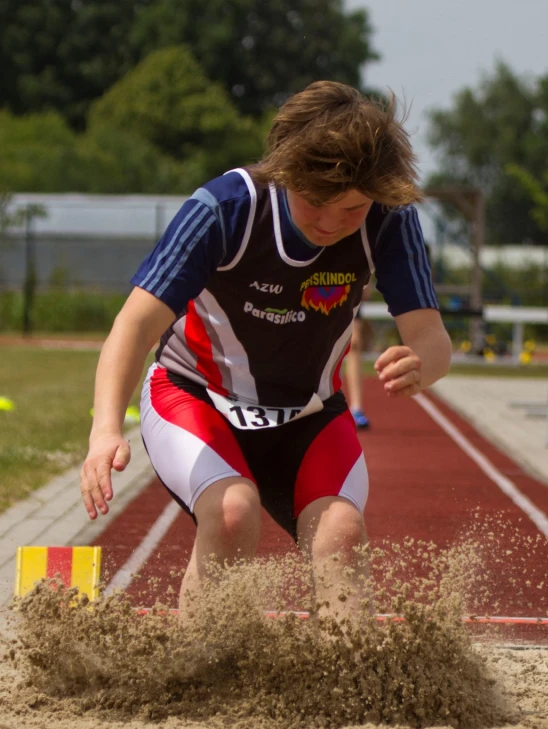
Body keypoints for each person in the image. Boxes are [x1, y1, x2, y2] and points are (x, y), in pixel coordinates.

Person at [80, 81, 452, 618]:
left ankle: (353, 686)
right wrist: (105, 430)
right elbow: (133, 327)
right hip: (196, 396)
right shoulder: (225, 209)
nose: (329, 224)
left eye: (350, 209)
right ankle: (198, 671)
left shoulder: (389, 220)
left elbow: (432, 338)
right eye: (315, 204)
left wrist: (424, 363)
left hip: (309, 414)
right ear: (285, 174)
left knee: (342, 533)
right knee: (233, 513)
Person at [345, 287, 373, 430]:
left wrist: (367, 280)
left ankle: (356, 408)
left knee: (354, 342)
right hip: (314, 282)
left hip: (347, 283)